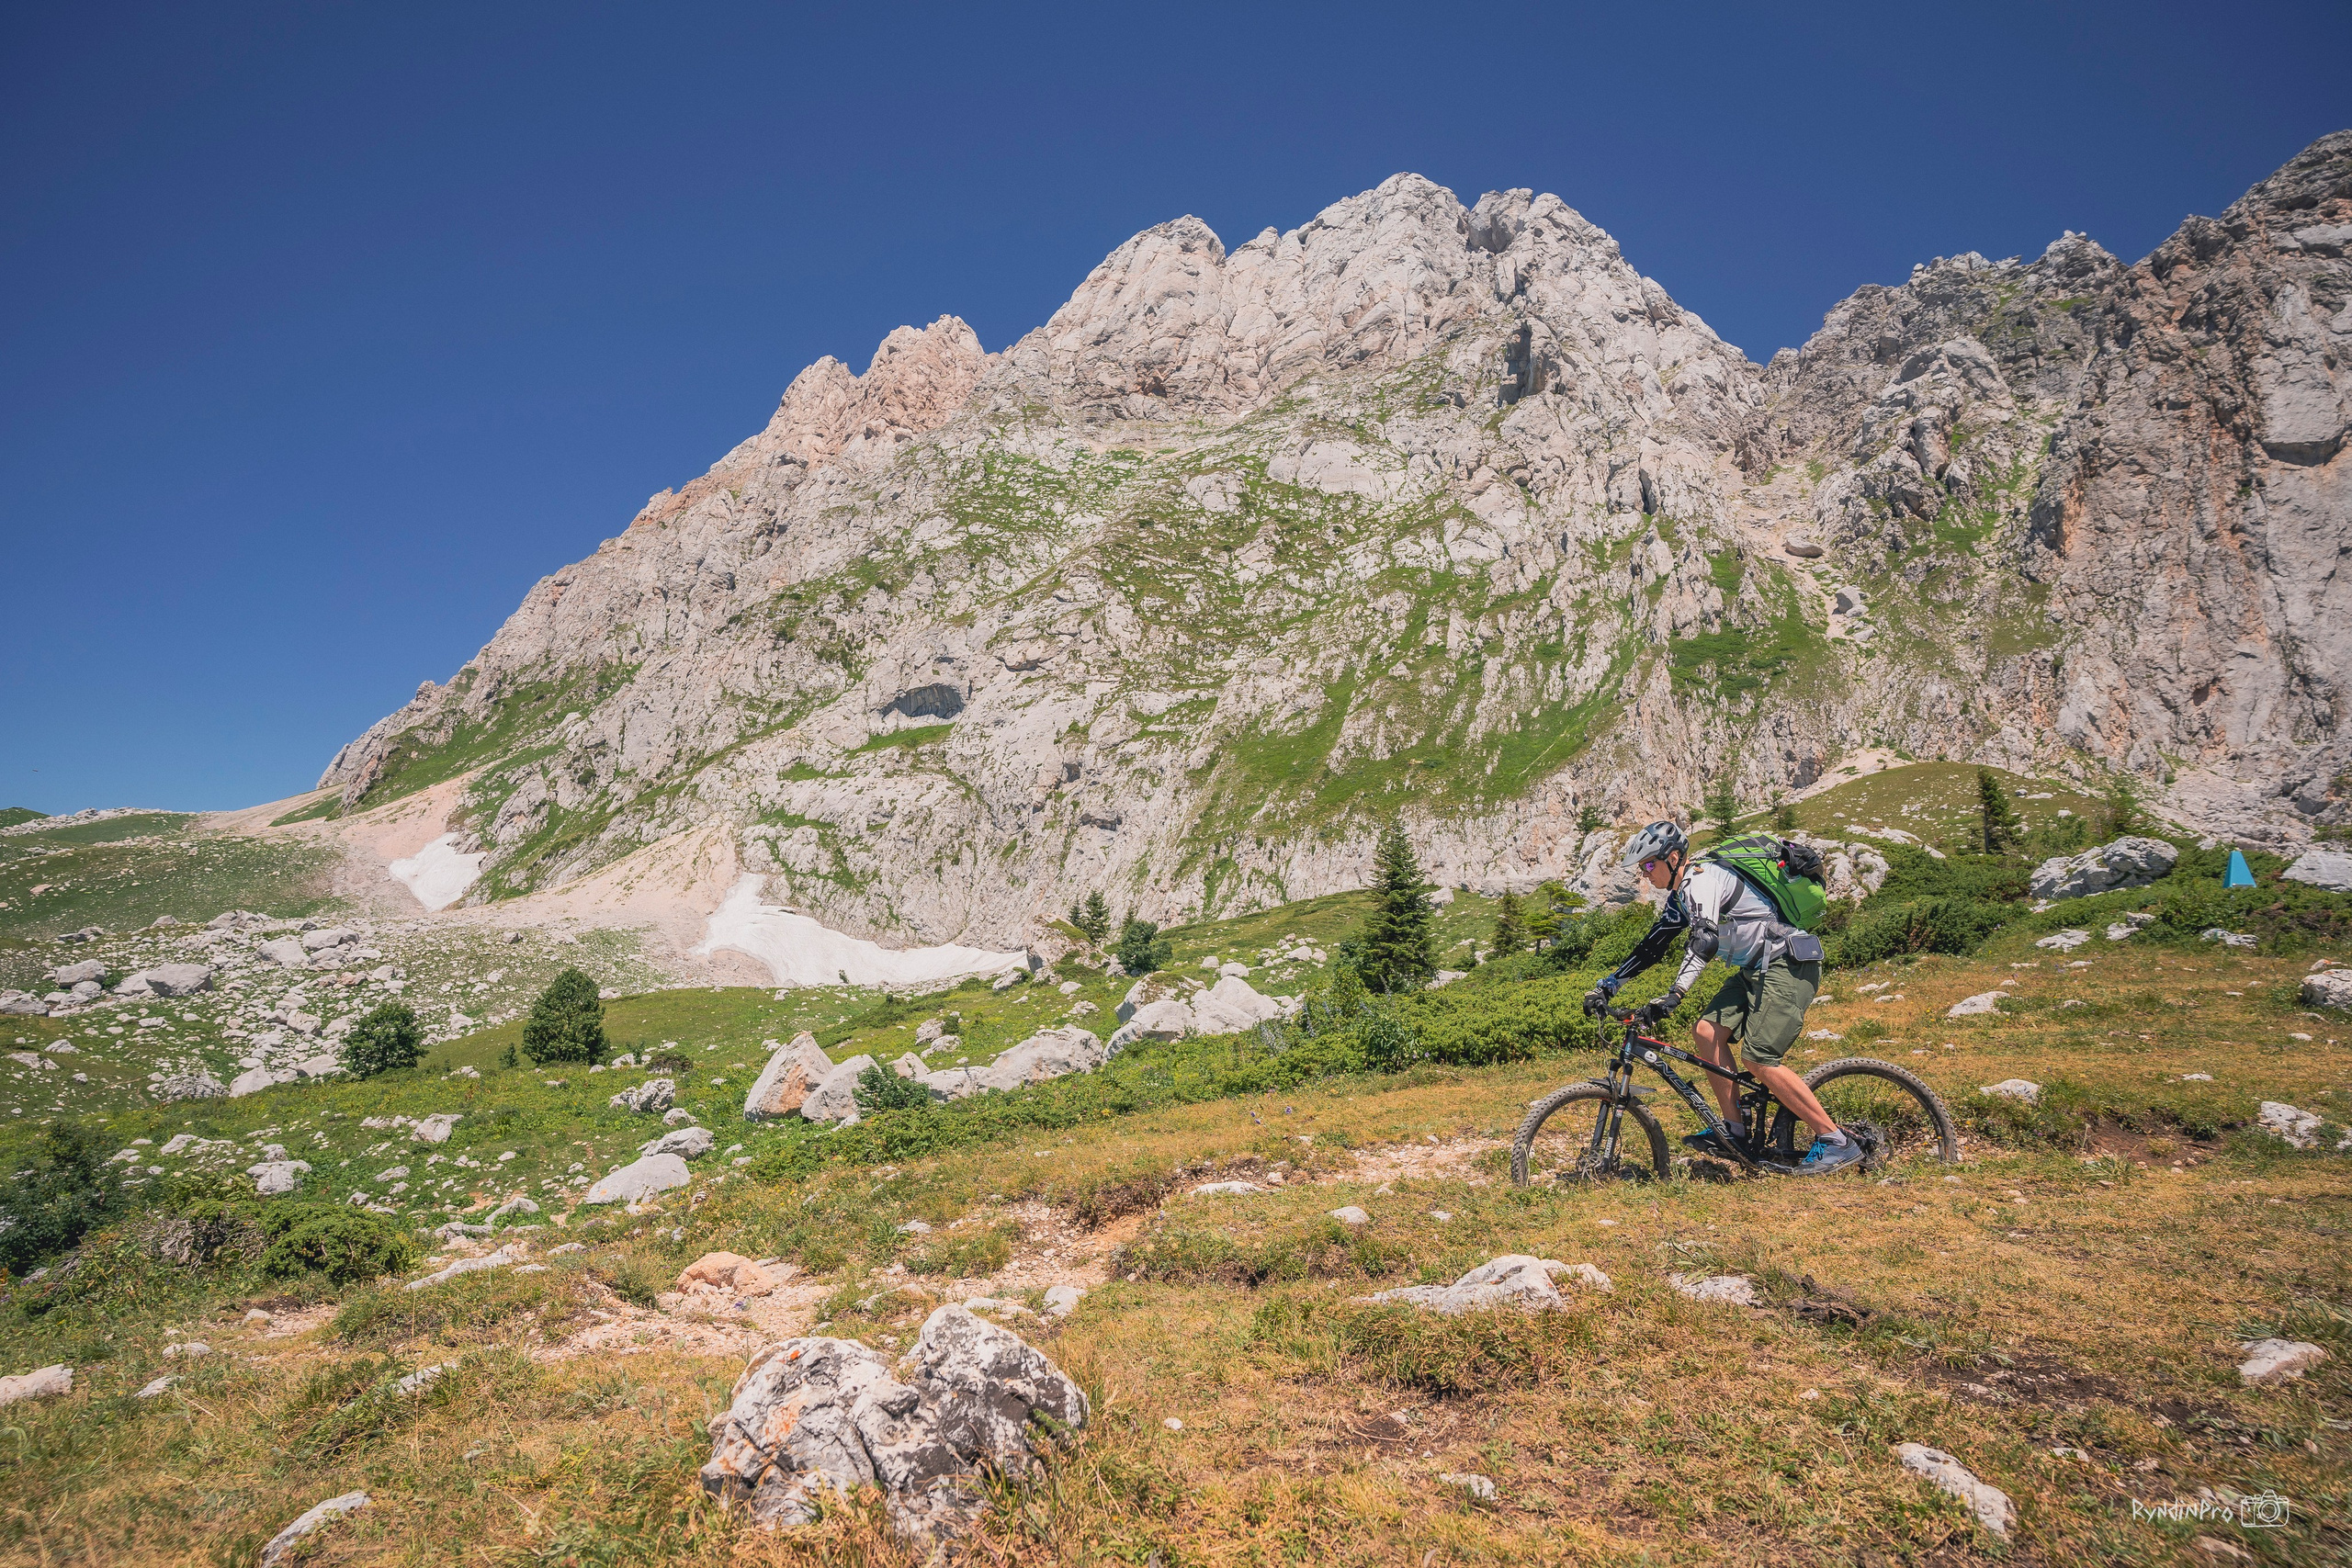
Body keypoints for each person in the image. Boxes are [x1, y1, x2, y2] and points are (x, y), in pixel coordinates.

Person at [1583, 820, 1861, 1175]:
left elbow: (1705, 941)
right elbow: (1652, 947)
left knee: (1759, 1058)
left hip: (1788, 964)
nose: (1645, 874)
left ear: (1672, 858)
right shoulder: (1682, 895)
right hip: (1754, 969)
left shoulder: (1702, 880)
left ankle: (1836, 1140)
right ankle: (1735, 1132)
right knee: (1706, 1032)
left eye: (1649, 865)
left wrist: (1674, 995)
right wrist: (1607, 985)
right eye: (1642, 868)